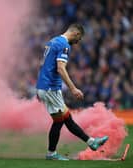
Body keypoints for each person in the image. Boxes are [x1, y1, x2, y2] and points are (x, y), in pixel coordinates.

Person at [36, 23, 108, 160]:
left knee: (63, 119)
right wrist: (73, 88)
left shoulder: (53, 41)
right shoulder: (64, 45)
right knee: (63, 119)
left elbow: (43, 64)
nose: (78, 42)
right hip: (50, 88)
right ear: (76, 34)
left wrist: (39, 87)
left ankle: (91, 142)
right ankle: (53, 153)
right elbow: (60, 68)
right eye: (79, 39)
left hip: (45, 86)